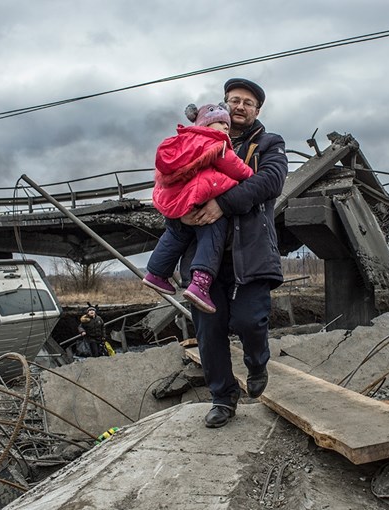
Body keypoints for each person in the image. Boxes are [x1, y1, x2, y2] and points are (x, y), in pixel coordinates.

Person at [180, 78, 288, 428]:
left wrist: (222, 203)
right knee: (209, 332)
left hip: (251, 253)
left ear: (257, 110)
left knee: (248, 321)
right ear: (223, 106)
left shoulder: (270, 143)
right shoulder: (197, 140)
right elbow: (172, 179)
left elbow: (270, 182)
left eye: (247, 102)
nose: (239, 106)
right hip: (203, 261)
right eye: (233, 101)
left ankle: (257, 363)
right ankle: (222, 398)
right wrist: (179, 209)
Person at [142, 103, 254, 314]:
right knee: (212, 233)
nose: (225, 127)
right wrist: (251, 176)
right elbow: (236, 168)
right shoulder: (215, 144)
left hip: (180, 200)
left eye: (227, 124)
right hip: (201, 197)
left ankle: (156, 273)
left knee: (176, 233)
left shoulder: (184, 142)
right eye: (221, 122)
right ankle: (200, 284)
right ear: (206, 124)